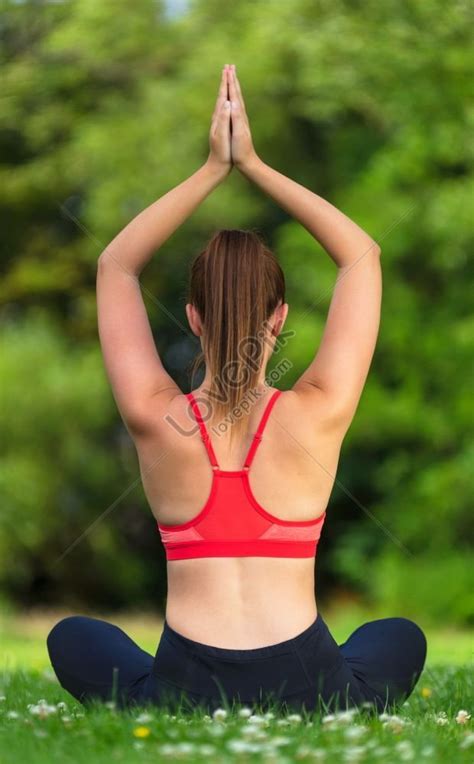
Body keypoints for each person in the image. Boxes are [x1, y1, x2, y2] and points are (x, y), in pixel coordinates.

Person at [47, 64, 426, 716]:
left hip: (185, 687)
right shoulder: (320, 411)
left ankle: (155, 702)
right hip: (309, 685)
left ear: (192, 318)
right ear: (279, 317)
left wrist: (210, 170)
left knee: (73, 638)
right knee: (398, 639)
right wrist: (252, 164)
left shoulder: (153, 416)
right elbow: (362, 256)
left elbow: (115, 264)